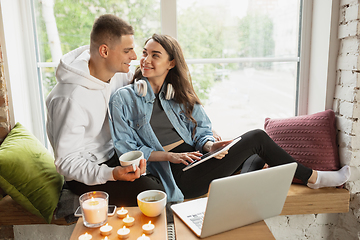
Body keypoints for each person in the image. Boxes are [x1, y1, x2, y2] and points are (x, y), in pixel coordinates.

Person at [109, 34, 351, 203]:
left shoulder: (178, 95)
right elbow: (126, 149)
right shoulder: (125, 98)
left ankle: (238, 189)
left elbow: (202, 130)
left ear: (171, 63)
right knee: (257, 137)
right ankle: (313, 178)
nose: (146, 60)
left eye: (155, 55)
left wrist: (209, 145)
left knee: (255, 151)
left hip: (197, 159)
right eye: (144, 53)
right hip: (175, 174)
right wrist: (169, 155)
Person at [46, 15, 165, 206]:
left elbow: (141, 89)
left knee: (167, 173)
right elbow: (67, 163)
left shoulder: (119, 74)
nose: (134, 56)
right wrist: (111, 174)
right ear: (104, 51)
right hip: (84, 174)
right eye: (127, 51)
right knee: (153, 193)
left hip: (115, 153)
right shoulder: (68, 98)